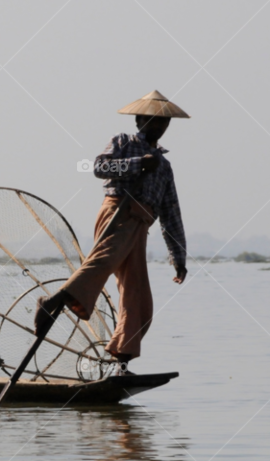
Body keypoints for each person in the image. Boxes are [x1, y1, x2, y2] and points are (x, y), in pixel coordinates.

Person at [34, 90, 189, 371]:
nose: (159, 126)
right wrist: (138, 164)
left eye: (164, 122)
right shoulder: (122, 142)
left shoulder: (165, 167)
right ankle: (52, 300)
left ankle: (122, 358)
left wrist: (179, 259)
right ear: (139, 120)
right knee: (102, 262)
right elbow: (99, 167)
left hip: (140, 225)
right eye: (153, 120)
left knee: (137, 293)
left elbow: (171, 214)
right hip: (117, 212)